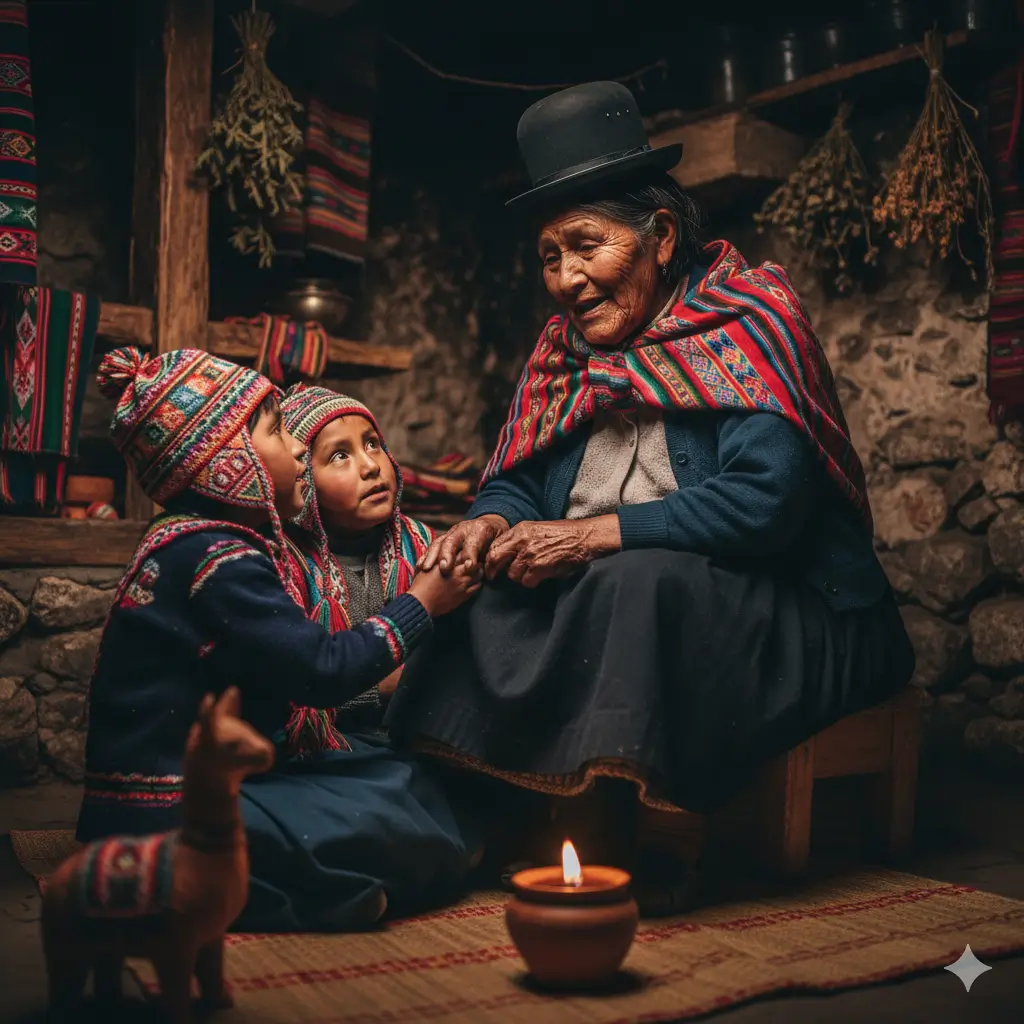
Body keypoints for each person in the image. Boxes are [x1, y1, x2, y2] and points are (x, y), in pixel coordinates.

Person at [387, 82, 915, 888]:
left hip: (792, 607)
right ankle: (484, 810)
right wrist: (487, 524)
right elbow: (521, 487)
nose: (565, 279)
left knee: (639, 579)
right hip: (616, 593)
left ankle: (653, 830)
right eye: (550, 257)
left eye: (586, 245)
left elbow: (769, 504)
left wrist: (592, 536)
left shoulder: (749, 318)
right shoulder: (561, 354)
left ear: (661, 236)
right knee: (468, 584)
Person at [77, 346, 480, 931]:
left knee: (402, 785)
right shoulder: (216, 558)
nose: (293, 445)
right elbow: (323, 670)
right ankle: (287, 899)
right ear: (226, 459)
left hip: (207, 788)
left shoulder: (202, 540)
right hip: (162, 807)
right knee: (386, 815)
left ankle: (321, 886)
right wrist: (423, 603)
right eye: (275, 430)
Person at [278, 384, 436, 737]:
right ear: (303, 481)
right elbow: (286, 690)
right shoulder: (284, 564)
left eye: (372, 444)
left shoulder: (425, 547)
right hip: (320, 750)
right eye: (339, 456)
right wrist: (379, 689)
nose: (370, 466)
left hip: (415, 739)